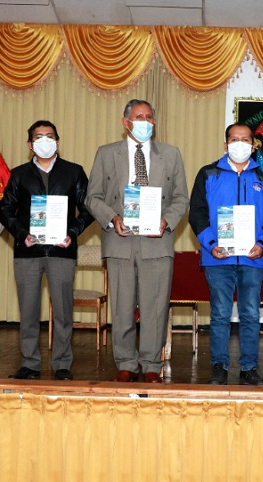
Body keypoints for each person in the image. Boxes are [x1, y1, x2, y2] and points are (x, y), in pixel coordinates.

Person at [85, 99, 189, 383]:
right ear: (126, 122)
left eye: (149, 117)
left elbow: (181, 198)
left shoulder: (170, 154)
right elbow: (92, 197)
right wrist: (112, 218)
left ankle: (152, 364)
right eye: (139, 116)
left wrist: (166, 220)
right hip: (119, 241)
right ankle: (126, 363)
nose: (145, 121)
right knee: (121, 306)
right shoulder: (107, 153)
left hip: (157, 242)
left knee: (155, 307)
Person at [0, 120, 94, 381]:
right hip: (28, 252)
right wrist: (21, 233)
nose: (44, 141)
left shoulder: (74, 172)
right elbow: (4, 210)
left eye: (49, 136)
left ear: (58, 141)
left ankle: (62, 363)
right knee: (28, 311)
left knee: (63, 311)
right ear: (30, 144)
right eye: (38, 137)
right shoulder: (19, 174)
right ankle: (30, 363)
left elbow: (88, 209)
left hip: (61, 251)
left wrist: (72, 232)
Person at [188, 123, 263, 386]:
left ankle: (249, 368)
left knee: (251, 315)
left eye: (245, 139)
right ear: (226, 145)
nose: (240, 144)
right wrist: (210, 243)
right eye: (234, 139)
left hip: (253, 257)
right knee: (219, 314)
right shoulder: (208, 174)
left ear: (253, 145)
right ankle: (219, 366)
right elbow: (197, 213)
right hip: (217, 257)